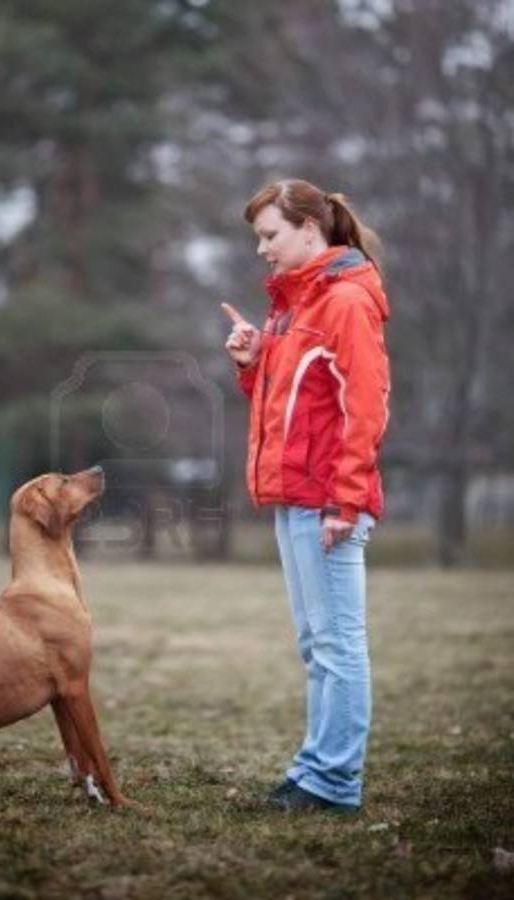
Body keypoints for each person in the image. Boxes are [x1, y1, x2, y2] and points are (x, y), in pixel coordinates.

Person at [222, 178, 390, 814]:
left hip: (328, 504)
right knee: (316, 645)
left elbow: (365, 407)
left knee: (339, 644)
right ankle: (316, 770)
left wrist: (345, 503)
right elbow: (294, 404)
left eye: (270, 235)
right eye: (258, 238)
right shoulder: (294, 305)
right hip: (296, 497)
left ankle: (333, 782)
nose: (262, 249)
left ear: (310, 231)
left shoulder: (345, 301)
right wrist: (253, 361)